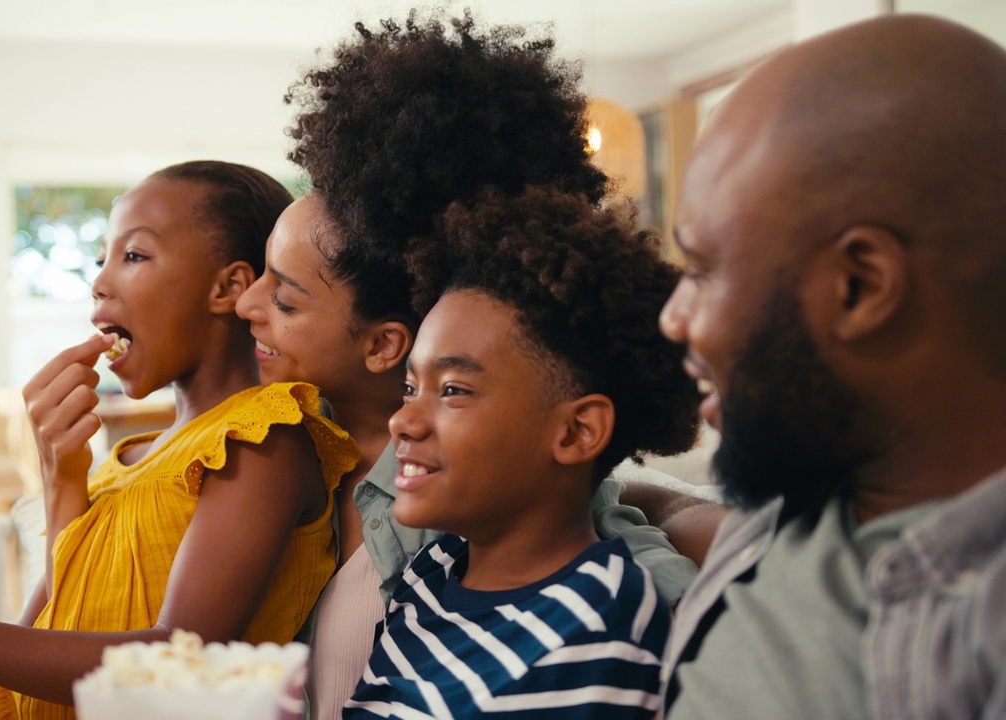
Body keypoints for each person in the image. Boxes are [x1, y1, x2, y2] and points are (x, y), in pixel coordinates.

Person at [0, 161, 359, 718]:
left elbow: (185, 666)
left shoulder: (262, 438)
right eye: (100, 260)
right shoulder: (118, 465)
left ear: (227, 288)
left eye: (133, 255)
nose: (98, 282)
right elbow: (18, 663)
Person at [237, 12, 702, 717]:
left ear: (385, 340)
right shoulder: (299, 442)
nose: (247, 304)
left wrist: (714, 525)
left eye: (290, 295)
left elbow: (616, 532)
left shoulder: (483, 515)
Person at [653, 15, 1006, 720]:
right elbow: (700, 515)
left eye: (700, 271)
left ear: (860, 286)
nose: (672, 317)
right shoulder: (821, 475)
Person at [344, 185, 698, 718]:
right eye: (410, 388)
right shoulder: (435, 569)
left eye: (454, 391)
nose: (403, 420)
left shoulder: (596, 632)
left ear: (577, 431)